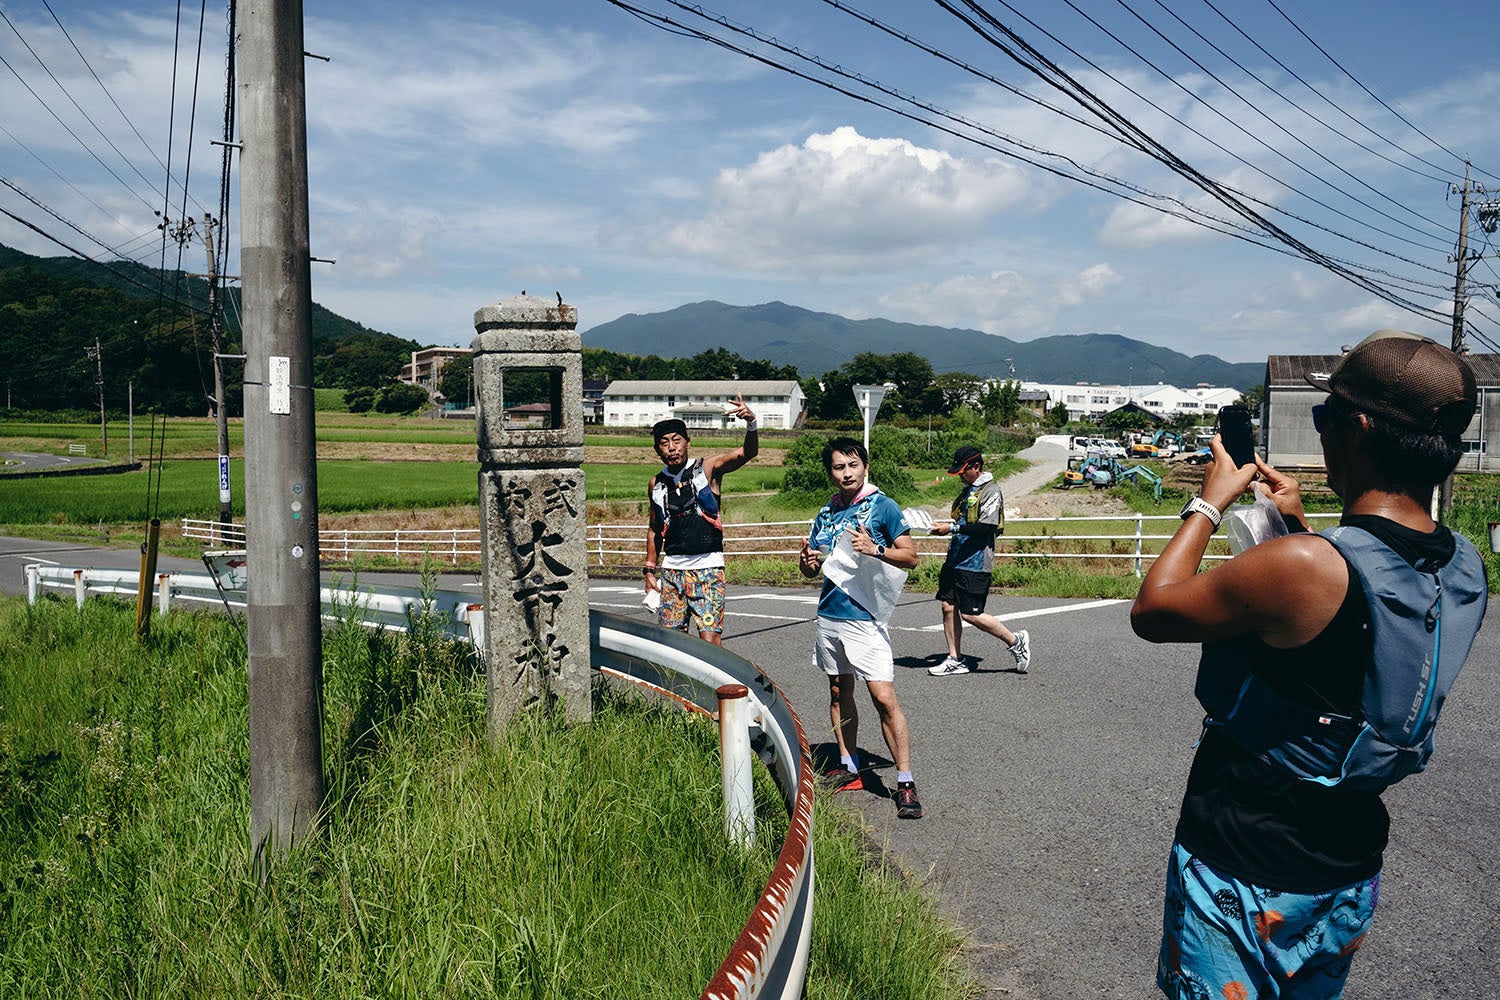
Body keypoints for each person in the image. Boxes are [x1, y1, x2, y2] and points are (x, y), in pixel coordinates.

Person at [1130, 330, 1487, 1000]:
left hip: (1243, 862)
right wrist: (1297, 527)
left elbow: (1153, 611)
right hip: (1347, 866)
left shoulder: (1304, 567)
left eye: (1326, 416)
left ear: (1355, 429)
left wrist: (1209, 503)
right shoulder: (1464, 564)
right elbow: (1346, 639)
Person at [798, 436, 924, 819]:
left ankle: (905, 782)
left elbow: (911, 557)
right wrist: (807, 563)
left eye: (853, 465)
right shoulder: (826, 513)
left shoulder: (883, 506)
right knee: (839, 691)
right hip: (829, 615)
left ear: (865, 467)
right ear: (830, 472)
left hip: (866, 618)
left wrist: (877, 550)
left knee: (883, 698)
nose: (847, 473)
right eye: (839, 467)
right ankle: (848, 766)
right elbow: (814, 568)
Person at [643, 396, 758, 646]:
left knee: (710, 640)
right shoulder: (656, 484)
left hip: (708, 568)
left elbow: (746, 453)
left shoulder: (706, 469)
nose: (672, 447)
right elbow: (654, 529)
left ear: (688, 442)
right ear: (657, 450)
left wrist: (751, 424)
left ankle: (715, 675)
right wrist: (649, 570)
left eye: (677, 440)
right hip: (672, 571)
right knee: (671, 642)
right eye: (664, 443)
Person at [927, 444, 1031, 676]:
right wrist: (943, 526)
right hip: (955, 559)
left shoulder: (991, 491)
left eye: (963, 471)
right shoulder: (967, 491)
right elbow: (963, 522)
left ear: (976, 466)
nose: (960, 476)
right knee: (948, 607)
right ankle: (955, 658)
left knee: (971, 614)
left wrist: (951, 528)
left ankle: (1015, 641)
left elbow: (986, 527)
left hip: (975, 562)